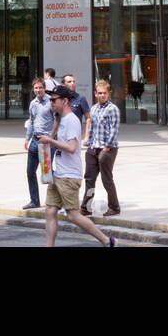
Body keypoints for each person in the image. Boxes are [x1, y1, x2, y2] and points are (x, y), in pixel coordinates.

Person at [39, 85, 113, 247]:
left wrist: (50, 141)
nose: (51, 102)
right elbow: (63, 145)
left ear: (65, 101)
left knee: (73, 215)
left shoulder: (71, 120)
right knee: (50, 211)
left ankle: (107, 241)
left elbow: (72, 148)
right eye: (50, 99)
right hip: (59, 173)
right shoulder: (62, 120)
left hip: (69, 176)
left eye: (54, 100)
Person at [81, 79, 120, 217]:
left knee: (106, 179)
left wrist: (106, 148)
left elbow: (114, 130)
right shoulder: (93, 108)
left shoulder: (112, 109)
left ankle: (114, 207)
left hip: (107, 149)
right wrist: (89, 144)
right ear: (95, 94)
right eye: (99, 93)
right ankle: (86, 207)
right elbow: (91, 128)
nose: (102, 95)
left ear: (108, 93)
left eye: (104, 93)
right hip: (93, 148)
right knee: (89, 179)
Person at [23, 78, 54, 210]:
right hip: (35, 140)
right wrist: (27, 138)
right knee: (30, 171)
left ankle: (54, 201)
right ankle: (34, 200)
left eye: (40, 87)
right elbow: (31, 121)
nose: (38, 90)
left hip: (47, 141)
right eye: (36, 88)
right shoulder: (33, 103)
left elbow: (57, 120)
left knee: (47, 173)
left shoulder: (51, 102)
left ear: (44, 88)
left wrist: (51, 137)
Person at [62, 74, 92, 144]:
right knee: (46, 155)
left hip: (74, 137)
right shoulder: (59, 99)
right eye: (69, 82)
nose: (72, 83)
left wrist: (86, 136)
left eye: (73, 81)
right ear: (63, 85)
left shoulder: (81, 98)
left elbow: (88, 118)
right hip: (60, 136)